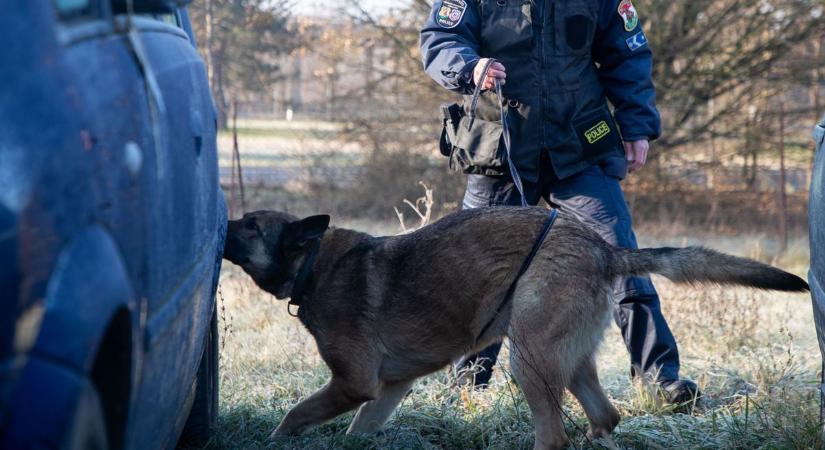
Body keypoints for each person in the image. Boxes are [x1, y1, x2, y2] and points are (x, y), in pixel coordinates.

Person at [419, 0, 698, 403]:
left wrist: (637, 125)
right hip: (500, 149)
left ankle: (659, 379)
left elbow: (628, 53)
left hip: (580, 146)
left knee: (623, 258)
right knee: (480, 273)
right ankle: (467, 389)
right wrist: (469, 67)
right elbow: (440, 37)